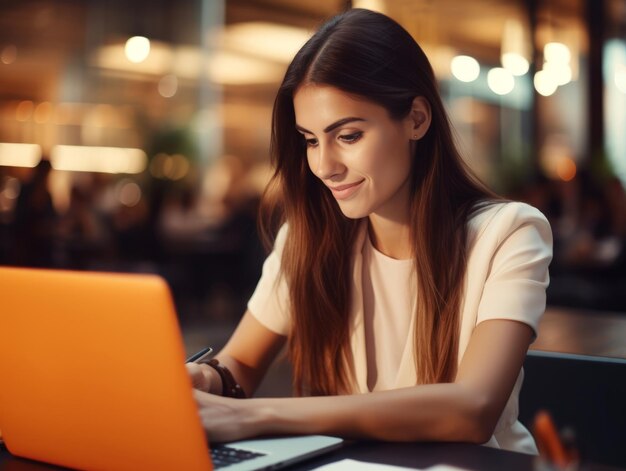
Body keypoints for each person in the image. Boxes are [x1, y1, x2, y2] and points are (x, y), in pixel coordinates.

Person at [186, 8, 552, 454]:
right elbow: (240, 360)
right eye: (311, 140)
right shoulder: (310, 239)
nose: (324, 166)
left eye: (349, 135)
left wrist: (253, 416)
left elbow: (473, 408)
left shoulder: (508, 233)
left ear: (417, 119)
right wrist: (210, 377)